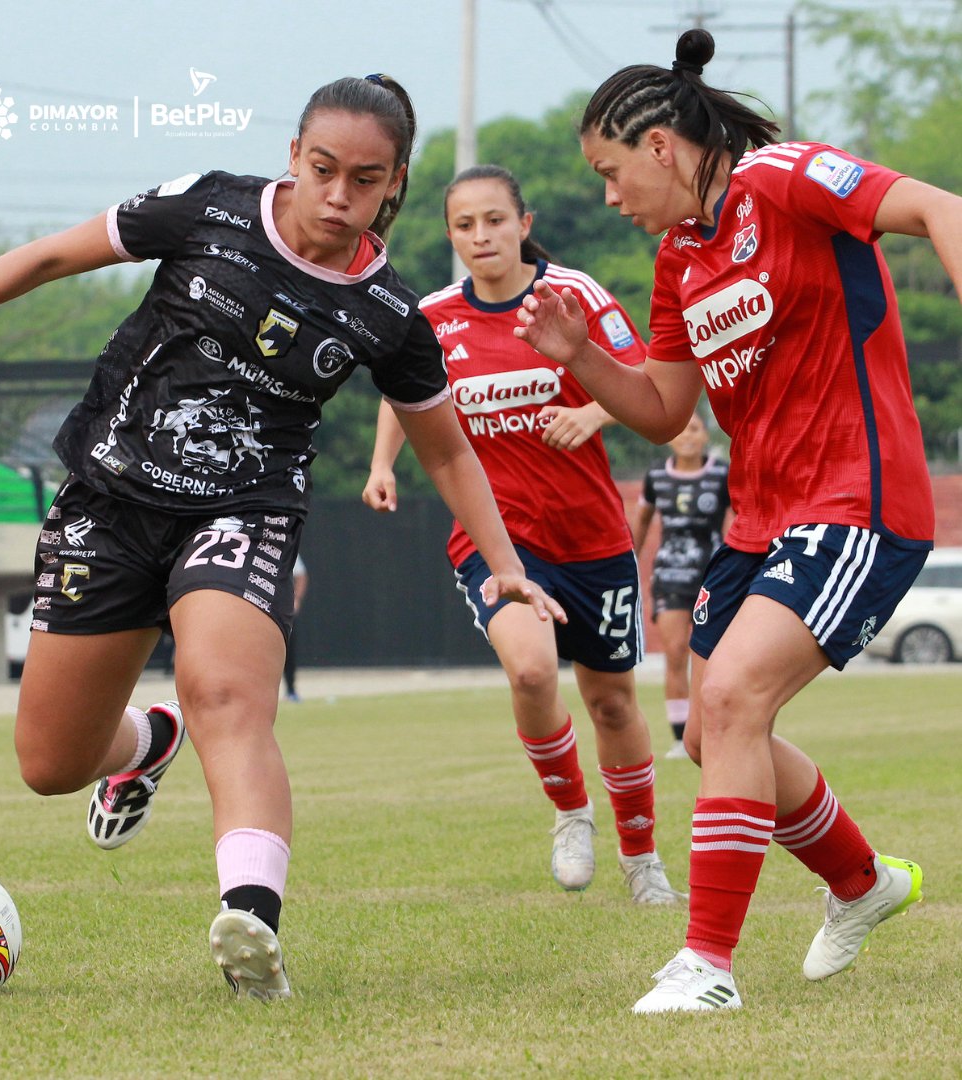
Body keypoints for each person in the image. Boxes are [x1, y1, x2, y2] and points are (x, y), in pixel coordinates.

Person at [0, 75, 565, 1003]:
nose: (339, 195)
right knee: (50, 764)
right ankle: (145, 742)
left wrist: (508, 567)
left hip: (245, 509)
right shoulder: (207, 207)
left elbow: (446, 452)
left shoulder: (388, 315)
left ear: (394, 184)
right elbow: (49, 257)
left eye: (365, 180)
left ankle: (252, 924)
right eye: (323, 168)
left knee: (228, 696)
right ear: (293, 156)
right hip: (108, 500)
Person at [515, 27, 949, 1012]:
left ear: (661, 147)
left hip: (858, 500)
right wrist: (581, 357)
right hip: (759, 521)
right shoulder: (680, 258)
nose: (611, 197)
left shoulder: (786, 177)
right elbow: (665, 408)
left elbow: (940, 208)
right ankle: (861, 882)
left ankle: (706, 965)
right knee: (714, 731)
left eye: (612, 173)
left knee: (740, 695)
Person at [363, 164, 686, 905]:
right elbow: (405, 394)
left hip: (593, 538)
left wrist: (594, 413)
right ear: (450, 236)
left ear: (524, 224)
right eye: (465, 225)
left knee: (612, 704)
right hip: (498, 540)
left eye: (495, 220)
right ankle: (571, 812)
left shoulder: (576, 296)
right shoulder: (434, 316)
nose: (481, 236)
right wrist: (383, 464)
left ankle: (642, 858)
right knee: (534, 672)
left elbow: (648, 379)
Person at [630, 412, 730, 759]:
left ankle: (713, 730)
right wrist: (629, 565)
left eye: (695, 429)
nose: (688, 436)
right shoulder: (657, 476)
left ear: (705, 436)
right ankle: (679, 737)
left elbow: (738, 519)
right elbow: (641, 523)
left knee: (713, 655)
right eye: (682, 430)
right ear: (671, 437)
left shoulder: (722, 474)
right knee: (675, 652)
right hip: (670, 575)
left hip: (713, 576)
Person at [282, 554, 308, 702]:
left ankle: (291, 690)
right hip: (261, 608)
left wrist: (296, 599)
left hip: (283, 609)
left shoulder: (286, 547)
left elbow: (301, 575)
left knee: (289, 651)